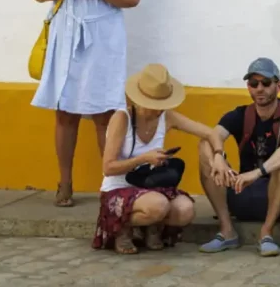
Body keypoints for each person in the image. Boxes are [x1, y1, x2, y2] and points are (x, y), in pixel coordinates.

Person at [29, 0, 141, 207]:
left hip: (101, 41)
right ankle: (65, 182)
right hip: (65, 39)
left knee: (104, 114)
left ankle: (111, 185)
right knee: (65, 113)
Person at [92, 63, 229, 254]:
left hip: (151, 185)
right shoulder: (122, 118)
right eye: (154, 105)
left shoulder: (167, 117)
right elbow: (108, 168)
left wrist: (218, 155)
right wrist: (143, 158)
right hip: (119, 188)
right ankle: (122, 228)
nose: (159, 110)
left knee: (186, 210)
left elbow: (210, 133)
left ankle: (151, 227)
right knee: (158, 205)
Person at [198, 58, 280, 257]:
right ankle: (227, 231)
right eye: (254, 83)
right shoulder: (240, 114)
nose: (259, 88)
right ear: (248, 87)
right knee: (206, 149)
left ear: (279, 86)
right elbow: (211, 137)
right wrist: (218, 156)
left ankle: (266, 233)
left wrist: (257, 173)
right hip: (242, 194)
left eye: (266, 83)